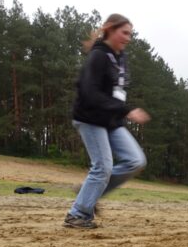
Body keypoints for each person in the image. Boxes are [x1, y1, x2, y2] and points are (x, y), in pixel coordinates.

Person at [64, 13, 149, 229]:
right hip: (90, 118)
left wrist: (119, 111)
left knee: (135, 160)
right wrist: (127, 111)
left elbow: (115, 90)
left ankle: (87, 194)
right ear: (110, 30)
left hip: (111, 120)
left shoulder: (120, 57)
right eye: (124, 33)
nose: (128, 38)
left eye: (131, 33)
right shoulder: (98, 56)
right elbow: (90, 93)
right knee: (103, 167)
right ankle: (78, 214)